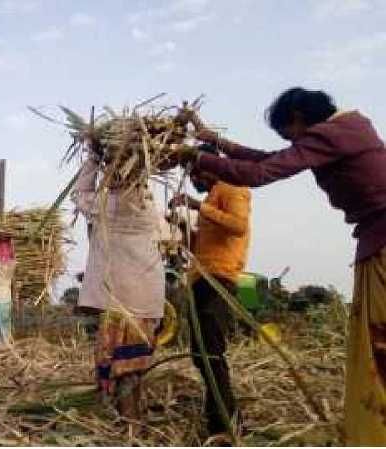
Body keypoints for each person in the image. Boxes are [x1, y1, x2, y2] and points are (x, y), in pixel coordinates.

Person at [178, 87, 386, 445]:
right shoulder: (342, 134)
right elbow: (269, 158)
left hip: (382, 239)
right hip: (375, 237)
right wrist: (215, 142)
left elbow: (261, 173)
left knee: (379, 343)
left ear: (298, 118)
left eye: (287, 132)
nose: (288, 141)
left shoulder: (335, 133)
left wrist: (196, 156)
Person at [73, 150, 166, 417]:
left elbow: (80, 193)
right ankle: (134, 417)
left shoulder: (107, 204)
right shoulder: (149, 207)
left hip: (118, 301)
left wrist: (92, 158)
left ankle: (130, 426)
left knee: (122, 364)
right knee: (135, 363)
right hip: (147, 300)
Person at [170, 143, 252, 438]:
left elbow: (239, 226)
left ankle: (227, 424)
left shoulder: (232, 187)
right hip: (202, 278)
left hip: (220, 279)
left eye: (195, 172)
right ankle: (221, 417)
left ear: (210, 165)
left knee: (210, 352)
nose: (194, 179)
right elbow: (201, 247)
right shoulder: (214, 197)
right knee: (201, 353)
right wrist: (182, 229)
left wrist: (197, 206)